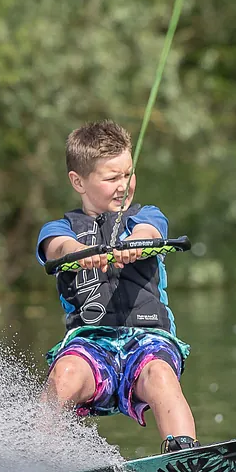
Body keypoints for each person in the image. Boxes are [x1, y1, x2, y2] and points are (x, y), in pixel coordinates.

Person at [36, 119, 198, 453]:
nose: (123, 185)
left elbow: (150, 233)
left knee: (160, 377)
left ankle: (185, 456)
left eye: (128, 174)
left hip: (148, 340)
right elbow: (58, 247)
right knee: (64, 374)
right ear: (78, 182)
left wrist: (135, 244)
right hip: (91, 344)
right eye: (112, 178)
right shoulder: (59, 228)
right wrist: (80, 254)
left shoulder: (146, 217)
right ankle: (35, 459)